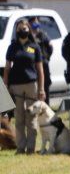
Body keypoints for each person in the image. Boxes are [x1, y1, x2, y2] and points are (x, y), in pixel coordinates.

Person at [3, 19, 45, 154]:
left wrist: (41, 89)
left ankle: (31, 148)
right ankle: (20, 147)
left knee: (31, 118)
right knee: (19, 117)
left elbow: (40, 70)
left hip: (31, 85)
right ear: (16, 31)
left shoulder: (35, 47)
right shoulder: (12, 47)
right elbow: (7, 68)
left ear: (29, 29)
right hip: (16, 86)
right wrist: (5, 85)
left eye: (25, 27)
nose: (23, 30)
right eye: (20, 28)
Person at [29, 17, 53, 98]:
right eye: (34, 23)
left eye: (37, 22)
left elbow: (50, 48)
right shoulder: (28, 37)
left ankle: (46, 104)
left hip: (43, 62)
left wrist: (47, 57)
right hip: (32, 64)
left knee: (45, 84)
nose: (36, 25)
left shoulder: (42, 35)